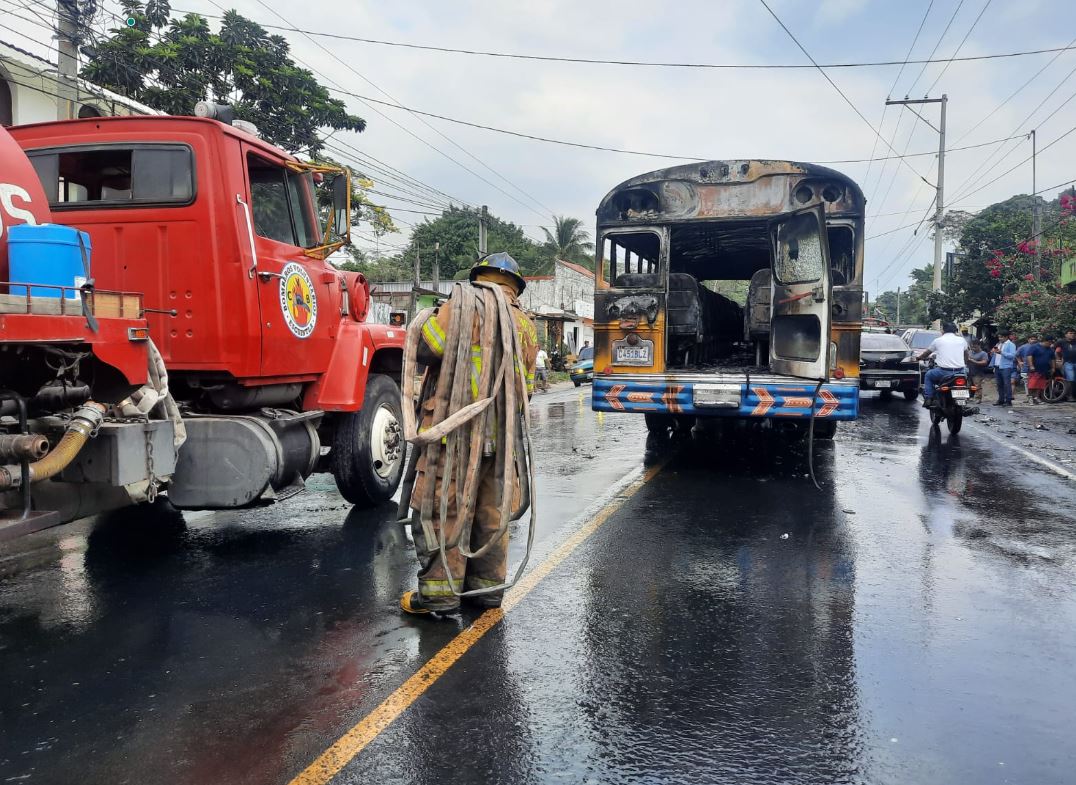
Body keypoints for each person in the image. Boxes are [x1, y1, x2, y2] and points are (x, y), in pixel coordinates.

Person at [401, 252, 538, 616]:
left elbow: (426, 347)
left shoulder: (460, 306)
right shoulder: (525, 324)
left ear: (479, 277)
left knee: (441, 514)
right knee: (492, 517)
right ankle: (487, 593)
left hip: (452, 438)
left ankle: (438, 595)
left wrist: (431, 316)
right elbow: (529, 388)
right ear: (515, 286)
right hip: (501, 439)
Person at [917, 321, 969, 408]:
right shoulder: (962, 340)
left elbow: (926, 353)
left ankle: (928, 398)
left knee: (928, 375)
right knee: (966, 380)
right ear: (955, 330)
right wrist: (964, 364)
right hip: (960, 371)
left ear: (943, 330)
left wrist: (918, 358)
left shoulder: (938, 340)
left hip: (944, 372)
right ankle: (965, 400)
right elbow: (966, 355)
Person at [1026, 335, 1056, 404]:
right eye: (1050, 342)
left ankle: (1036, 398)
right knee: (1032, 384)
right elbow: (1029, 356)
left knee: (1040, 385)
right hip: (1035, 369)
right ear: (1046, 341)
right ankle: (1030, 398)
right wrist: (1031, 365)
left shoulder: (1050, 349)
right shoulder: (1035, 347)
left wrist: (1053, 368)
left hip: (1044, 369)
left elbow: (1053, 359)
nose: (1051, 344)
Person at [992, 329, 1018, 406]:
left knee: (1007, 384)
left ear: (1006, 337)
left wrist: (1001, 352)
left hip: (1006, 367)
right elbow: (996, 354)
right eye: (999, 337)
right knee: (999, 384)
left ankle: (1008, 400)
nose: (1000, 339)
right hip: (997, 366)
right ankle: (1001, 399)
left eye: (1001, 337)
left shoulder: (1011, 345)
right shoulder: (999, 344)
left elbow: (1012, 356)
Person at [1015, 333, 1038, 402]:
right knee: (1027, 383)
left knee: (1035, 383)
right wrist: (1020, 362)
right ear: (1028, 340)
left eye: (1035, 339)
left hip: (1037, 367)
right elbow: (1016, 355)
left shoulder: (1038, 347)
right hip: (1025, 367)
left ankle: (1035, 397)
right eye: (1032, 339)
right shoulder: (1023, 347)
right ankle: (1029, 397)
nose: (1033, 340)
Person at [1055, 327, 1076, 401]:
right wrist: (1058, 360)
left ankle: (1074, 395)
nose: (1072, 335)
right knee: (1070, 378)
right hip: (1068, 363)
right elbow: (1055, 350)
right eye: (1070, 333)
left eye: (1074, 333)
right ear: (1066, 335)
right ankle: (1069, 396)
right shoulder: (1061, 342)